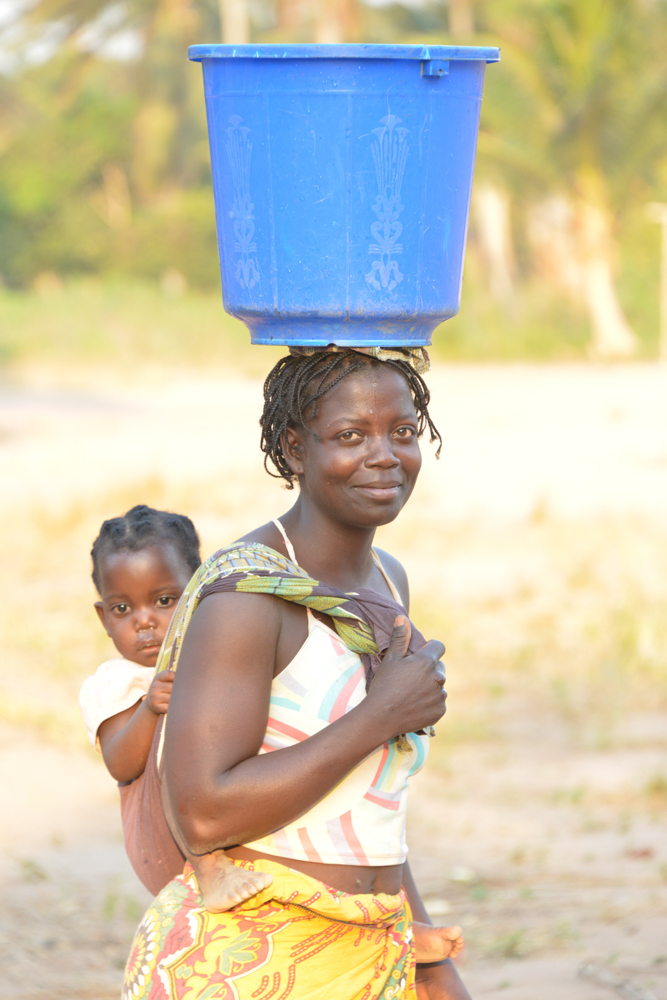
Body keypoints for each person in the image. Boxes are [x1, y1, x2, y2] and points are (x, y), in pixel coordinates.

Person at [123, 347, 470, 1000]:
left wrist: (425, 957)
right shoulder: (249, 599)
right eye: (349, 435)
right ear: (293, 449)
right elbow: (201, 814)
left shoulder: (387, 580)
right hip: (253, 959)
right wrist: (381, 716)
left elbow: (371, 796)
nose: (383, 456)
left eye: (401, 432)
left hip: (369, 945)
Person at [79, 504, 273, 910]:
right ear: (103, 618)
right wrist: (150, 710)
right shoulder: (119, 680)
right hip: (165, 840)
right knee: (181, 729)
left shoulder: (208, 656)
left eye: (165, 600)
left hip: (223, 817)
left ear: (199, 595)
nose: (144, 621)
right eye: (122, 609)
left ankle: (389, 924)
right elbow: (120, 763)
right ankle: (210, 870)